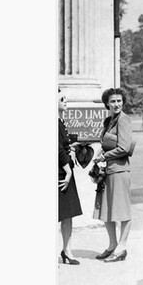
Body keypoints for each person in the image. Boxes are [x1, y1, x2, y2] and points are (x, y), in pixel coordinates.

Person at [92, 87, 135, 262]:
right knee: (106, 209)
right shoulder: (109, 121)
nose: (116, 104)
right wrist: (100, 153)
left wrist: (104, 156)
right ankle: (112, 245)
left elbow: (124, 148)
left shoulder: (123, 120)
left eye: (119, 101)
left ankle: (121, 248)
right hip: (108, 171)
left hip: (119, 170)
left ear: (122, 102)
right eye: (113, 101)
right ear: (107, 104)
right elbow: (106, 143)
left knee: (122, 210)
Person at [58, 90, 82, 264]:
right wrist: (68, 171)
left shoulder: (60, 121)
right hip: (61, 173)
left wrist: (71, 147)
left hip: (65, 170)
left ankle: (67, 250)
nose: (65, 101)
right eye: (61, 99)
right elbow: (56, 149)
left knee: (68, 214)